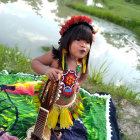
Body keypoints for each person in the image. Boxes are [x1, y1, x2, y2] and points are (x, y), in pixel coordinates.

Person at [31, 15, 97, 140]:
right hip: (50, 99)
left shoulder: (81, 62)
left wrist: (79, 83)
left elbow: (85, 73)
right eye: (79, 40)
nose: (83, 45)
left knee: (61, 120)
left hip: (68, 101)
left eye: (87, 42)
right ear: (67, 40)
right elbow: (35, 62)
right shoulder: (55, 56)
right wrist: (47, 69)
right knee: (45, 116)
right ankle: (43, 127)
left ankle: (57, 129)